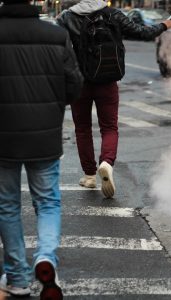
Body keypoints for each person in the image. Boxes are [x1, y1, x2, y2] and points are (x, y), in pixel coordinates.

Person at [0, 0, 83, 298]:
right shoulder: (55, 34)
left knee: (7, 205)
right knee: (47, 202)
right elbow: (74, 85)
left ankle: (18, 278)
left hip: (4, 137)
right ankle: (46, 257)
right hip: (45, 135)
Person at [57, 0, 171, 199]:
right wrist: (164, 25)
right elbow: (142, 32)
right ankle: (107, 162)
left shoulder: (67, 18)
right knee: (110, 127)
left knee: (83, 128)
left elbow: (59, 50)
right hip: (108, 80)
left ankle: (89, 175)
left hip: (80, 82)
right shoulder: (113, 14)